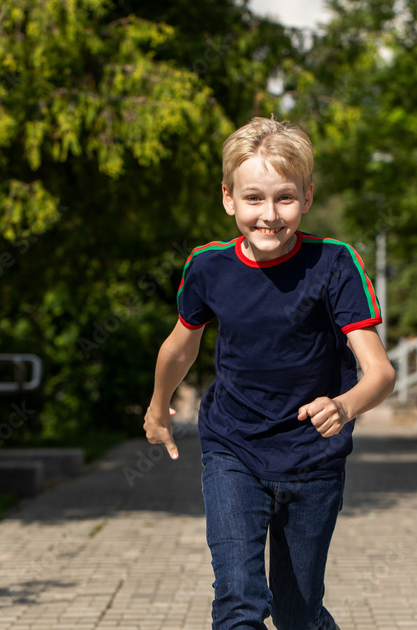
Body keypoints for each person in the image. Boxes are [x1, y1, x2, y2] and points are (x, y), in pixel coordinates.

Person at [144, 116, 395, 630]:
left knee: (297, 614)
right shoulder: (208, 267)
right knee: (238, 599)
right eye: (253, 198)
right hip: (232, 447)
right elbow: (179, 346)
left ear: (306, 197)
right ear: (228, 198)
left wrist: (345, 406)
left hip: (312, 458)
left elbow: (380, 372)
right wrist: (156, 407)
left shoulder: (335, 264)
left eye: (284, 198)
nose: (268, 215)